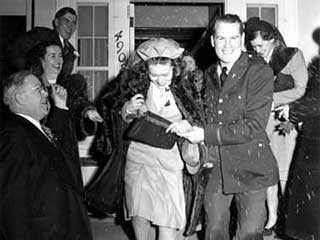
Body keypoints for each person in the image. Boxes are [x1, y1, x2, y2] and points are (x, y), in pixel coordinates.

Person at [168, 14, 279, 240]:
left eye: (233, 38)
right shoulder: (208, 73)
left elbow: (253, 126)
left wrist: (205, 134)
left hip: (252, 167)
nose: (227, 45)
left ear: (242, 40)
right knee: (214, 231)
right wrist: (189, 123)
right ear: (212, 41)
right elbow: (206, 114)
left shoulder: (259, 71)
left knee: (248, 234)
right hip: (216, 166)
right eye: (221, 38)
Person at [90, 38, 205, 240]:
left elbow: (198, 119)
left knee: (168, 218)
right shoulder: (135, 86)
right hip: (138, 157)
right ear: (145, 71)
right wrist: (127, 109)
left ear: (175, 68)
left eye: (165, 74)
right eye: (154, 75)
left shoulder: (185, 87)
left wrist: (185, 126)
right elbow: (113, 114)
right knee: (139, 210)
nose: (160, 80)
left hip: (169, 160)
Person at [0, 71, 93, 239]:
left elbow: (51, 154)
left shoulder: (31, 130)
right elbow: (11, 202)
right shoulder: (13, 136)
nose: (45, 93)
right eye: (38, 89)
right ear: (20, 98)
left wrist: (61, 107)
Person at [245, 17, 308, 233]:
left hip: (283, 121)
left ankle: (289, 220)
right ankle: (271, 218)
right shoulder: (253, 60)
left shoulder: (291, 55)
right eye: (253, 46)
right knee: (265, 170)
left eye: (261, 45)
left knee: (284, 170)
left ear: (272, 39)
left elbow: (301, 89)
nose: (257, 50)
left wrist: (273, 98)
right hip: (260, 121)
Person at [25, 40, 102, 187]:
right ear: (41, 60)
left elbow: (80, 103)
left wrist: (88, 112)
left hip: (66, 150)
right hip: (39, 150)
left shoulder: (72, 83)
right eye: (52, 56)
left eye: (60, 56)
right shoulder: (30, 84)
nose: (58, 60)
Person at [279, 49, 320, 240]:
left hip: (315, 151)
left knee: (312, 212)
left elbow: (316, 101)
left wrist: (293, 111)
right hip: (313, 145)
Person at [6, 7, 78, 76]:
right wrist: (29, 75)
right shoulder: (41, 35)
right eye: (66, 21)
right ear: (56, 22)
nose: (70, 26)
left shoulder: (71, 51)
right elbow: (13, 50)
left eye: (74, 23)